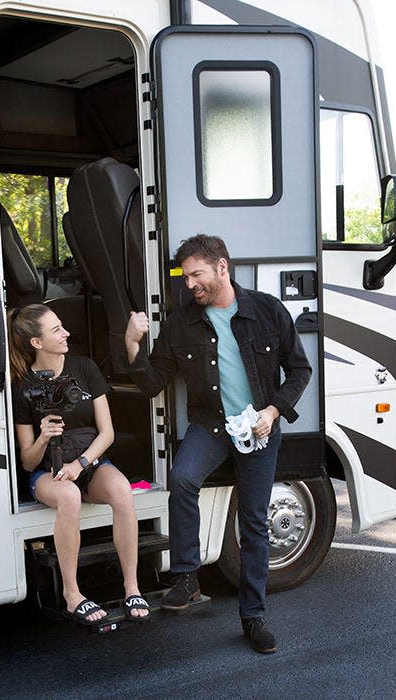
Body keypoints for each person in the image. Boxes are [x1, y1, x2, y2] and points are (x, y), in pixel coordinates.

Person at [124, 234, 311, 653]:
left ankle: (254, 618)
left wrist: (273, 412)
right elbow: (153, 382)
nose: (190, 284)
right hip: (211, 425)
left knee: (254, 523)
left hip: (260, 428)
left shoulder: (267, 310)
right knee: (183, 478)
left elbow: (299, 370)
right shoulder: (180, 322)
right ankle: (187, 575)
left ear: (222, 267)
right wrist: (134, 347)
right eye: (186, 276)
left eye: (197, 274)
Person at [8, 304, 150, 624]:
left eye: (63, 326)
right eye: (57, 330)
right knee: (69, 496)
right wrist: (44, 437)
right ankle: (73, 595)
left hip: (90, 461)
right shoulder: (23, 388)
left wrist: (81, 463)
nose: (66, 333)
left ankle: (132, 587)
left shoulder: (84, 368)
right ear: (36, 343)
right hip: (48, 473)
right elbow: (28, 462)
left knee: (122, 491)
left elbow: (108, 432)